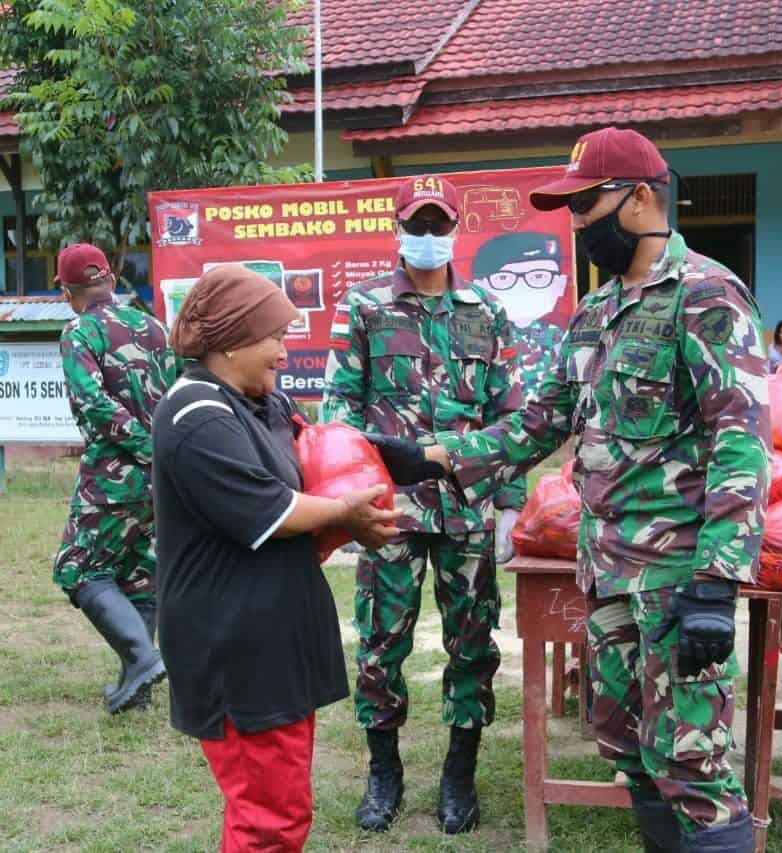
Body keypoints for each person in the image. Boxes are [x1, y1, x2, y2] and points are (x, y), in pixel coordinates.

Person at [419, 127, 771, 852]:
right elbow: (539, 422)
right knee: (630, 747)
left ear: (641, 197)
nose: (578, 223)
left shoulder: (706, 295)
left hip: (677, 578)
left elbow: (742, 435)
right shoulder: (597, 311)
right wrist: (431, 456)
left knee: (693, 763)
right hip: (608, 574)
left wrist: (717, 578)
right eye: (572, 209)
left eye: (588, 204)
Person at [152, 265, 421, 852]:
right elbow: (270, 510)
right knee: (267, 819)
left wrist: (417, 458)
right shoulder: (195, 415)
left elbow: (322, 449)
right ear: (229, 340)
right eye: (275, 334)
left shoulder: (258, 402)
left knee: (279, 808)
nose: (283, 349)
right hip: (233, 643)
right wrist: (346, 514)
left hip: (272, 636)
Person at [321, 175, 523, 834]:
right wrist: (348, 502)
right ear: (399, 227)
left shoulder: (485, 313)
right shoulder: (365, 307)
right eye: (419, 224)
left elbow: (511, 415)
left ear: (456, 230)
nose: (430, 237)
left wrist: (511, 504)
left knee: (472, 644)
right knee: (381, 645)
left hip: (467, 511)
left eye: (440, 225)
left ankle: (459, 772)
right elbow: (339, 413)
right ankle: (385, 771)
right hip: (390, 511)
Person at [52, 243, 178, 714]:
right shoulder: (155, 327)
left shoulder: (79, 331)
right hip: (160, 478)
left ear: (69, 291)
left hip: (112, 474)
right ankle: (136, 688)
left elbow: (94, 404)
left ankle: (144, 660)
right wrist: (162, 452)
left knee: (78, 568)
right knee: (140, 575)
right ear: (109, 278)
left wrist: (143, 446)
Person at [471, 231, 569, 561]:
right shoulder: (471, 324)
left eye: (539, 276)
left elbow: (512, 417)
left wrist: (512, 505)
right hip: (428, 485)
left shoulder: (566, 340)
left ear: (559, 284)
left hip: (474, 499)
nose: (522, 286)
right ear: (485, 284)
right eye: (504, 278)